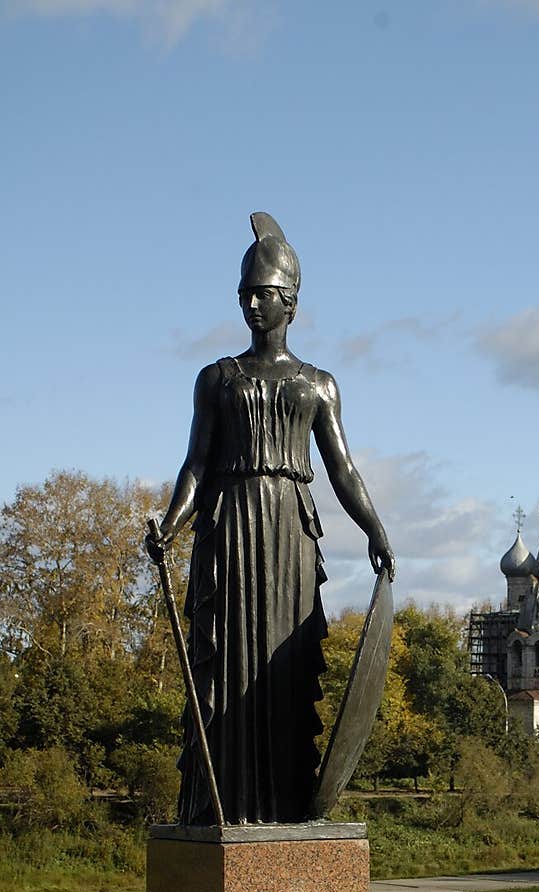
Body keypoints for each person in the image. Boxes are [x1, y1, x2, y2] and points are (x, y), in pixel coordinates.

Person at [146, 212, 395, 825]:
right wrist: (171, 523)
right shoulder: (216, 379)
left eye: (265, 294)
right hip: (229, 526)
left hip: (289, 535)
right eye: (246, 295)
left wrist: (376, 531)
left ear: (292, 301)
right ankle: (223, 804)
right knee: (228, 661)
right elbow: (196, 466)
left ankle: (285, 803)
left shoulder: (317, 385)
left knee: (284, 665)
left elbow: (343, 470)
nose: (253, 304)